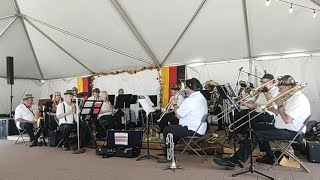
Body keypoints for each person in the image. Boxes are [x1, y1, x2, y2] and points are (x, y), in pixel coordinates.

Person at [213, 75, 311, 169]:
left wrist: (280, 105)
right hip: (284, 127)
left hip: (292, 132)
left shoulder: (298, 99)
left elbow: (287, 120)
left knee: (256, 135)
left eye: (281, 88)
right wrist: (273, 108)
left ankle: (233, 161)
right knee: (255, 127)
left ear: (289, 87)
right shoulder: (291, 98)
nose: (279, 90)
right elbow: (281, 115)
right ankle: (269, 156)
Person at [158, 78, 208, 162]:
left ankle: (169, 156)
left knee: (167, 130)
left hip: (192, 129)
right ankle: (169, 150)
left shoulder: (191, 100)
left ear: (189, 88)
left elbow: (178, 115)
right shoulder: (201, 97)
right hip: (199, 127)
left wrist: (174, 103)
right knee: (174, 128)